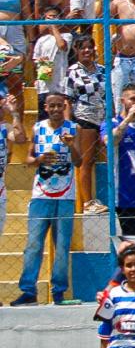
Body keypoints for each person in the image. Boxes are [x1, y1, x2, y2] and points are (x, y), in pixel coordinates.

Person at [18, 91, 79, 305]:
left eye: (58, 106)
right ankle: (28, 291)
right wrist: (39, 159)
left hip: (66, 195)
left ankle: (59, 291)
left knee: (61, 245)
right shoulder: (38, 128)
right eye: (50, 106)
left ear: (64, 107)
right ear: (45, 107)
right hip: (40, 194)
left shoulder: (72, 129)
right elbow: (28, 158)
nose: (55, 109)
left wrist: (71, 146)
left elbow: (79, 162)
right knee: (33, 244)